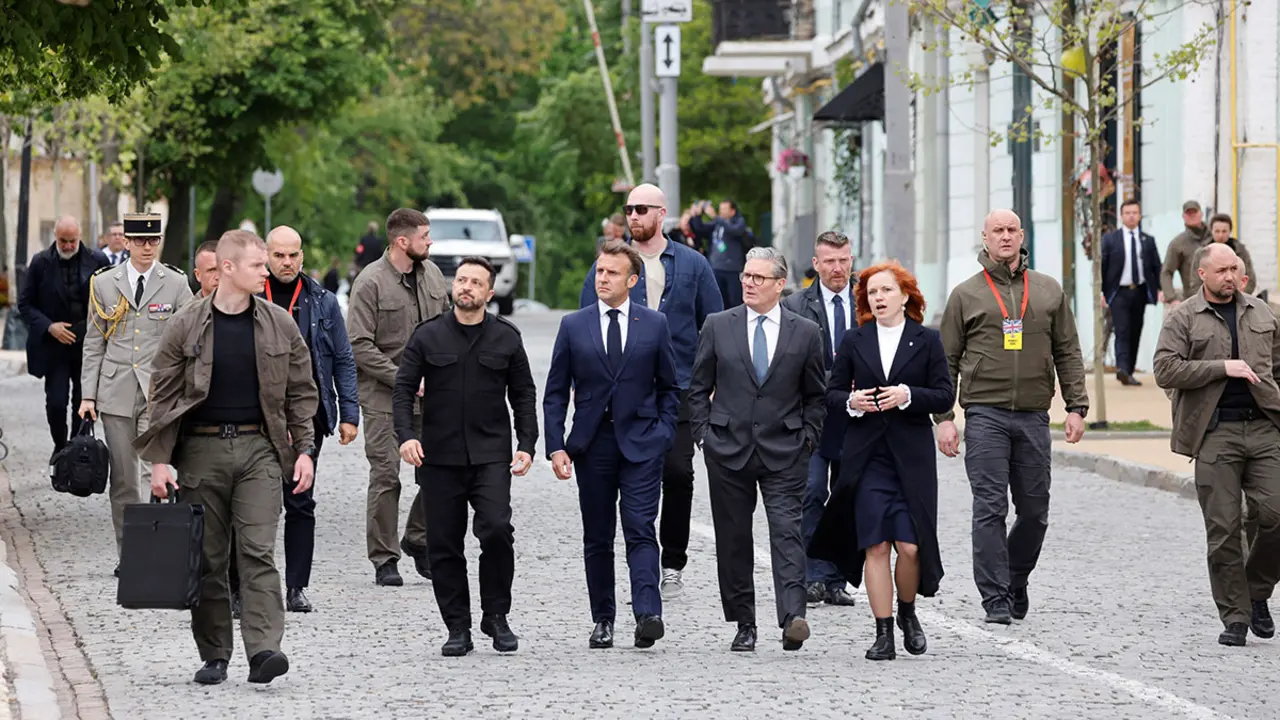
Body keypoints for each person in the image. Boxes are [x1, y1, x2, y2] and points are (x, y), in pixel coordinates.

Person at [135, 229, 319, 685]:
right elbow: (162, 393)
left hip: (260, 448)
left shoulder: (280, 323)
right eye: (259, 265)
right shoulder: (188, 322)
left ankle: (264, 650)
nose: (267, 272)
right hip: (199, 448)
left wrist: (305, 451)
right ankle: (215, 653)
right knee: (210, 557)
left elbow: (302, 392)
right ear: (229, 268)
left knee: (257, 550)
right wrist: (160, 461)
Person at [932, 209, 1089, 624]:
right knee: (989, 506)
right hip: (985, 414)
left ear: (1022, 235)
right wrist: (944, 416)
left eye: (1011, 230)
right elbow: (944, 360)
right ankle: (995, 597)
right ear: (984, 238)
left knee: (1035, 510)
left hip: (1035, 416)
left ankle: (1016, 577)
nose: (1005, 236)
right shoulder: (966, 294)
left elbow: (1068, 352)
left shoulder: (1048, 290)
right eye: (997, 231)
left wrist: (1076, 406)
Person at [578, 183, 722, 600]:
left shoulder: (693, 265)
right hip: (621, 390)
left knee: (678, 472)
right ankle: (626, 557)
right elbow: (587, 320)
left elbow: (714, 326)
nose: (633, 216)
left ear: (662, 214)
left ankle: (672, 562)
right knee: (621, 477)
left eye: (642, 209)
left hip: (678, 386)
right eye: (628, 209)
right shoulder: (609, 264)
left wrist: (712, 384)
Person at [808, 263, 954, 660]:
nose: (879, 297)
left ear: (905, 295)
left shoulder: (927, 340)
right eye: (872, 292)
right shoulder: (855, 340)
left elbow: (944, 395)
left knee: (909, 547)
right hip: (867, 455)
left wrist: (908, 395)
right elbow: (832, 393)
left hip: (912, 456)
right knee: (876, 544)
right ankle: (883, 632)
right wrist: (852, 402)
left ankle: (907, 611)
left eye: (886, 290)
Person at [395, 257, 538, 657]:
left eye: (476, 282)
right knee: (443, 543)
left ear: (489, 293)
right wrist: (406, 436)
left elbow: (524, 394)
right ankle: (457, 626)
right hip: (438, 456)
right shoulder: (427, 336)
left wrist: (527, 445)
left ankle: (496, 615)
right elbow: (403, 389)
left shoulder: (506, 337)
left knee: (495, 529)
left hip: (491, 454)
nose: (466, 287)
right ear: (452, 286)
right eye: (461, 279)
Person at [689, 246, 826, 652]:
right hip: (727, 449)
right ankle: (744, 622)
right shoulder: (718, 325)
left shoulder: (805, 332)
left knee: (787, 534)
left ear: (779, 285)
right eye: (746, 276)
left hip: (785, 450)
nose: (748, 282)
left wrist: (808, 438)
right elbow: (697, 388)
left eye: (758, 278)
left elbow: (816, 396)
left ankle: (792, 617)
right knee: (733, 539)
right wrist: (704, 437)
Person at [547, 241, 680, 650]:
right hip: (592, 445)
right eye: (599, 271)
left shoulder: (653, 324)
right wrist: (557, 445)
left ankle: (648, 613)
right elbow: (554, 392)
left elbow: (670, 388)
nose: (602, 278)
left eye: (611, 272)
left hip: (642, 444)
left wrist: (663, 433)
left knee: (641, 528)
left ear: (632, 280)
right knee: (598, 537)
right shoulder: (574, 325)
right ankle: (603, 619)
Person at [226, 226, 360, 615]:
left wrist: (349, 412)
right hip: (254, 418)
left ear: (302, 257)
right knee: (246, 506)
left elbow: (343, 358)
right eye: (279, 255)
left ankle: (297, 587)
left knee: (300, 503)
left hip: (306, 417)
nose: (286, 263)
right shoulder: (245, 295)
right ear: (266, 255)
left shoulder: (322, 301)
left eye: (293, 255)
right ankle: (239, 589)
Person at [1153, 242, 1280, 647]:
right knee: (1223, 528)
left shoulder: (1262, 313)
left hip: (1264, 428)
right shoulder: (1184, 317)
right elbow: (1164, 369)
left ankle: (1255, 590)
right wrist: (1220, 368)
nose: (1230, 276)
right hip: (1214, 432)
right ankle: (1236, 615)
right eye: (1222, 270)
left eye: (1234, 269)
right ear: (1202, 275)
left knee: (1275, 513)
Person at [78, 213, 194, 572]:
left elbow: (191, 337)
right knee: (124, 477)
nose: (147, 247)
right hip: (116, 391)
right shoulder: (104, 283)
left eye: (153, 240)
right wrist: (88, 395)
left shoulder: (175, 283)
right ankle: (128, 553)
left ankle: (153, 551)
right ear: (126, 242)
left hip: (158, 391)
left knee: (153, 473)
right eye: (140, 241)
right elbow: (93, 343)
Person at [346, 208, 449, 585]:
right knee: (387, 476)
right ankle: (384, 557)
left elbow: (448, 327)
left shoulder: (434, 275)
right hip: (383, 397)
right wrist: (405, 378)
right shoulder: (370, 282)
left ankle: (419, 539)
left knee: (439, 473)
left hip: (432, 397)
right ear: (402, 241)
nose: (430, 241)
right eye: (424, 236)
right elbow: (358, 344)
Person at [782, 230, 859, 608]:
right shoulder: (796, 305)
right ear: (816, 264)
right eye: (829, 261)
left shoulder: (867, 300)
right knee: (811, 492)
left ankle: (835, 578)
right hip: (810, 415)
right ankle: (810, 573)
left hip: (856, 417)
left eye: (844, 260)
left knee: (847, 496)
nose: (838, 268)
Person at [18, 216, 109, 463]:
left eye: (73, 240)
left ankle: (77, 448)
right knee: (56, 403)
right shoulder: (40, 262)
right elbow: (25, 305)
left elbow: (111, 300)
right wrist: (49, 327)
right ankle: (60, 447)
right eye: (63, 241)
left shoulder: (98, 260)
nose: (68, 246)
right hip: (54, 346)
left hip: (87, 345)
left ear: (80, 237)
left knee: (84, 402)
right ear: (55, 238)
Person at [1100, 199, 1161, 386]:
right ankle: (1122, 368)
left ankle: (1129, 371)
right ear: (1121, 216)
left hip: (1140, 291)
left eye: (1135, 212)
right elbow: (1102, 267)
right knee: (1122, 330)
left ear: (1140, 215)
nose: (1131, 216)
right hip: (1119, 292)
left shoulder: (1147, 240)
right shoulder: (1111, 240)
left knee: (1135, 331)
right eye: (1127, 213)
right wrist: (1102, 293)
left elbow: (1156, 266)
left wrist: (1159, 289)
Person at [1160, 200, 1211, 306]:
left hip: (1221, 296)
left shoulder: (1215, 237)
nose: (1192, 215)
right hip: (1194, 300)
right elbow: (1166, 272)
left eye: (1194, 212)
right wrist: (1172, 298)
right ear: (1183, 217)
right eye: (1188, 213)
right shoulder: (1178, 243)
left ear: (1201, 214)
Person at [701, 200, 751, 309]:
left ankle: (736, 323)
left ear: (732, 211)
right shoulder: (717, 224)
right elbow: (701, 229)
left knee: (734, 300)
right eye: (720, 209)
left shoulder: (738, 222)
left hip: (732, 268)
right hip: (716, 267)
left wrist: (716, 217)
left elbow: (735, 231)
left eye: (724, 209)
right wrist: (697, 214)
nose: (721, 212)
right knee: (718, 299)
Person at [1205, 214, 1257, 295]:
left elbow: (1250, 279)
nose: (1220, 235)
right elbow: (1195, 281)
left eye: (1224, 231)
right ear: (1211, 231)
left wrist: (1238, 297)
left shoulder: (1240, 251)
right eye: (1217, 231)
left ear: (1230, 231)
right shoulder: (1203, 252)